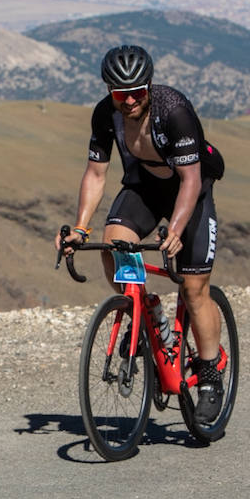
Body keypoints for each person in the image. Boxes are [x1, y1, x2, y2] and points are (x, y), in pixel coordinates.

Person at [57, 44, 225, 420]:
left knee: (194, 288)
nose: (130, 100)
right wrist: (80, 229)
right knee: (113, 243)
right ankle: (145, 308)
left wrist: (177, 229)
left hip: (191, 190)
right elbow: (96, 174)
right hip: (145, 187)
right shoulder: (105, 115)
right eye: (120, 93)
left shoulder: (173, 110)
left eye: (137, 91)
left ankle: (211, 374)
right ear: (108, 91)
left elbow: (191, 178)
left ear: (149, 86)